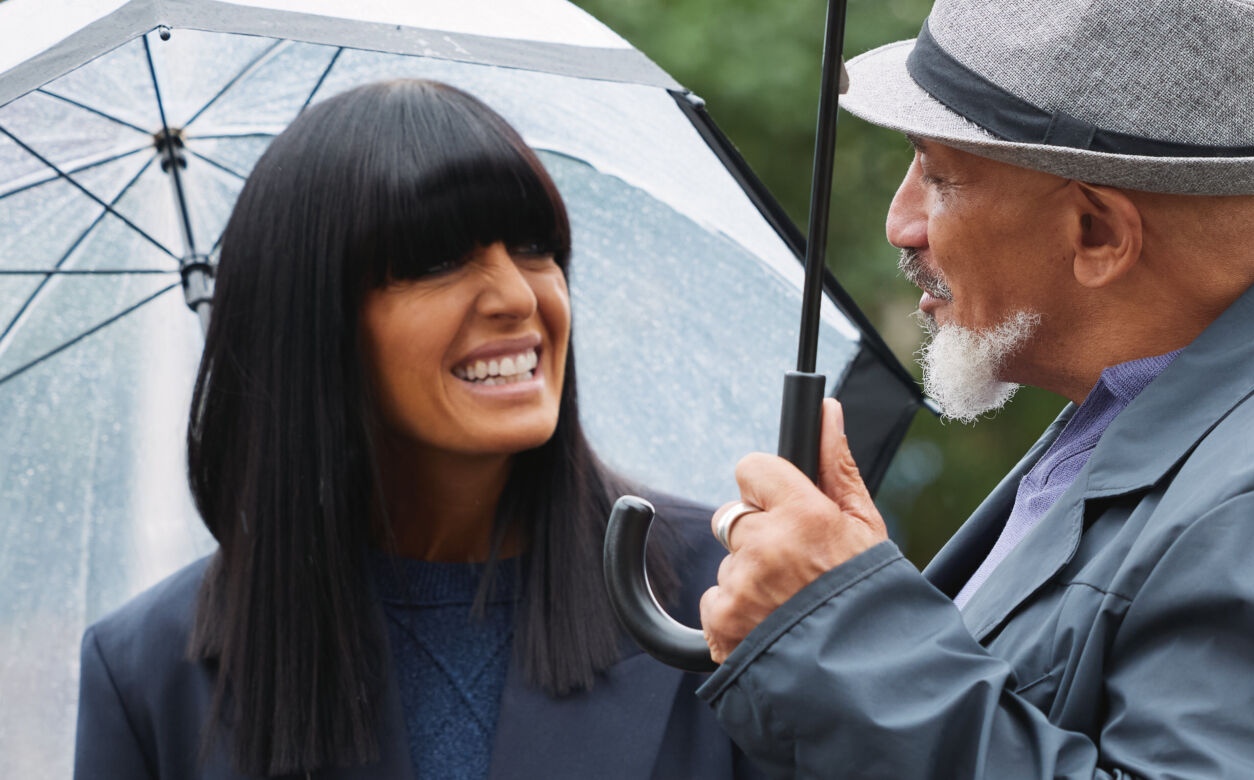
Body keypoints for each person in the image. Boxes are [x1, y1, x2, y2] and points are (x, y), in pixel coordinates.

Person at [693, 0, 1254, 777]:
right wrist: (846, 610)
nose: (902, 221)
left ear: (1099, 232)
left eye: (940, 175)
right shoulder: (1186, 424)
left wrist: (851, 642)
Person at [72, 80, 750, 779]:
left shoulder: (728, 598)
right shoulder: (147, 674)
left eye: (534, 246)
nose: (518, 296)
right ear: (316, 324)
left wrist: (819, 640)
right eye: (438, 261)